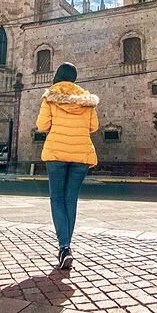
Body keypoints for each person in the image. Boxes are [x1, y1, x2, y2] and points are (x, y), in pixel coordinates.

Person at [36, 62, 99, 270]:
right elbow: (94, 127)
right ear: (74, 78)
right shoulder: (86, 99)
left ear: (57, 76)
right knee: (71, 200)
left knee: (57, 199)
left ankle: (64, 247)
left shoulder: (50, 97)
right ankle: (67, 246)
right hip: (81, 154)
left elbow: (42, 126)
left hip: (56, 153)